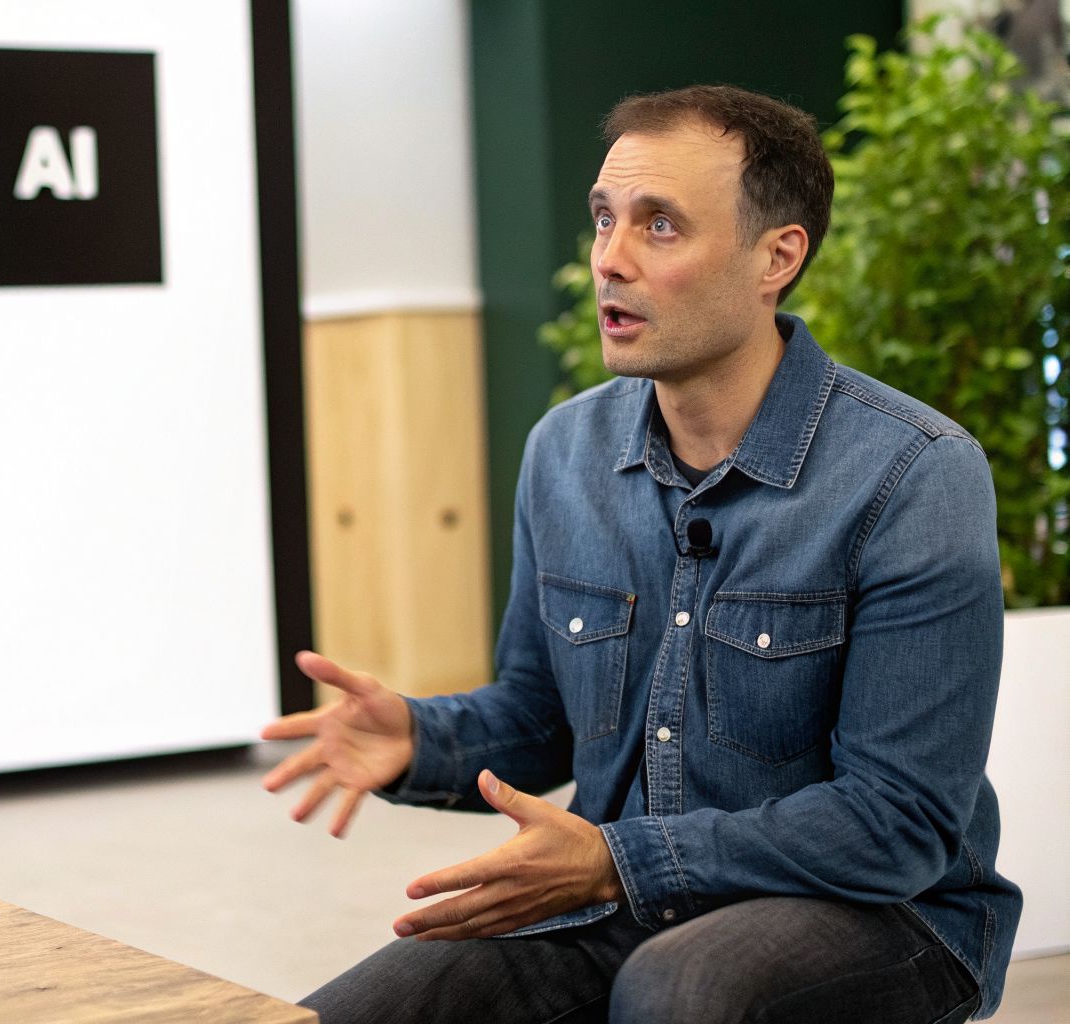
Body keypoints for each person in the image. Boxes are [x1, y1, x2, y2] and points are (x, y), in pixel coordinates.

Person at [263, 85, 1018, 1024]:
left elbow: (897, 826)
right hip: (624, 895)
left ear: (775, 258)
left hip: (887, 914)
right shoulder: (564, 452)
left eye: (660, 226)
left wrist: (618, 862)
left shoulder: (914, 473)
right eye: (604, 218)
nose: (609, 260)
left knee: (681, 990)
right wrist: (423, 737)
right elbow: (542, 716)